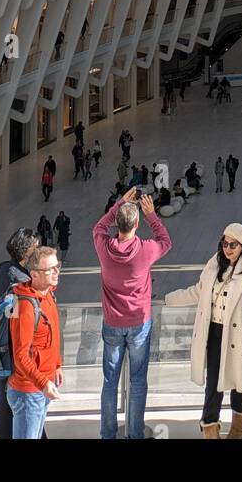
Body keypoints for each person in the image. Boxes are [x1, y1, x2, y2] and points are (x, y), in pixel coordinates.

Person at [164, 224, 242, 438]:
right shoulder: (213, 266)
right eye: (224, 243)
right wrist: (168, 299)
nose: (227, 248)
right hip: (214, 333)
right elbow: (198, 292)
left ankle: (239, 427)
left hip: (238, 338)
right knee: (213, 384)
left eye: (233, 244)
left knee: (240, 382)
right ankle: (210, 428)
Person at [93, 188, 172, 439]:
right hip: (139, 323)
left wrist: (119, 203)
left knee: (110, 382)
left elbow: (98, 227)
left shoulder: (104, 247)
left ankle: (108, 434)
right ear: (137, 224)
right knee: (137, 381)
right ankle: (135, 433)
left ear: (118, 222)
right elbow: (165, 241)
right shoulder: (145, 250)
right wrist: (152, 215)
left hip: (112, 322)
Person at [0, 228, 40, 439]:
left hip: (0, 346)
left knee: (5, 395)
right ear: (26, 250)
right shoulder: (19, 278)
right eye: (35, 247)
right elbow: (16, 315)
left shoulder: (2, 269)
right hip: (14, 347)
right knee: (22, 398)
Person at [7, 246, 63, 439]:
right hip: (28, 392)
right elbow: (20, 356)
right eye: (50, 269)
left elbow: (52, 334)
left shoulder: (48, 294)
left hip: (41, 387)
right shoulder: (26, 307)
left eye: (57, 266)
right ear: (34, 275)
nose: (56, 272)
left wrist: (56, 365)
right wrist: (43, 383)